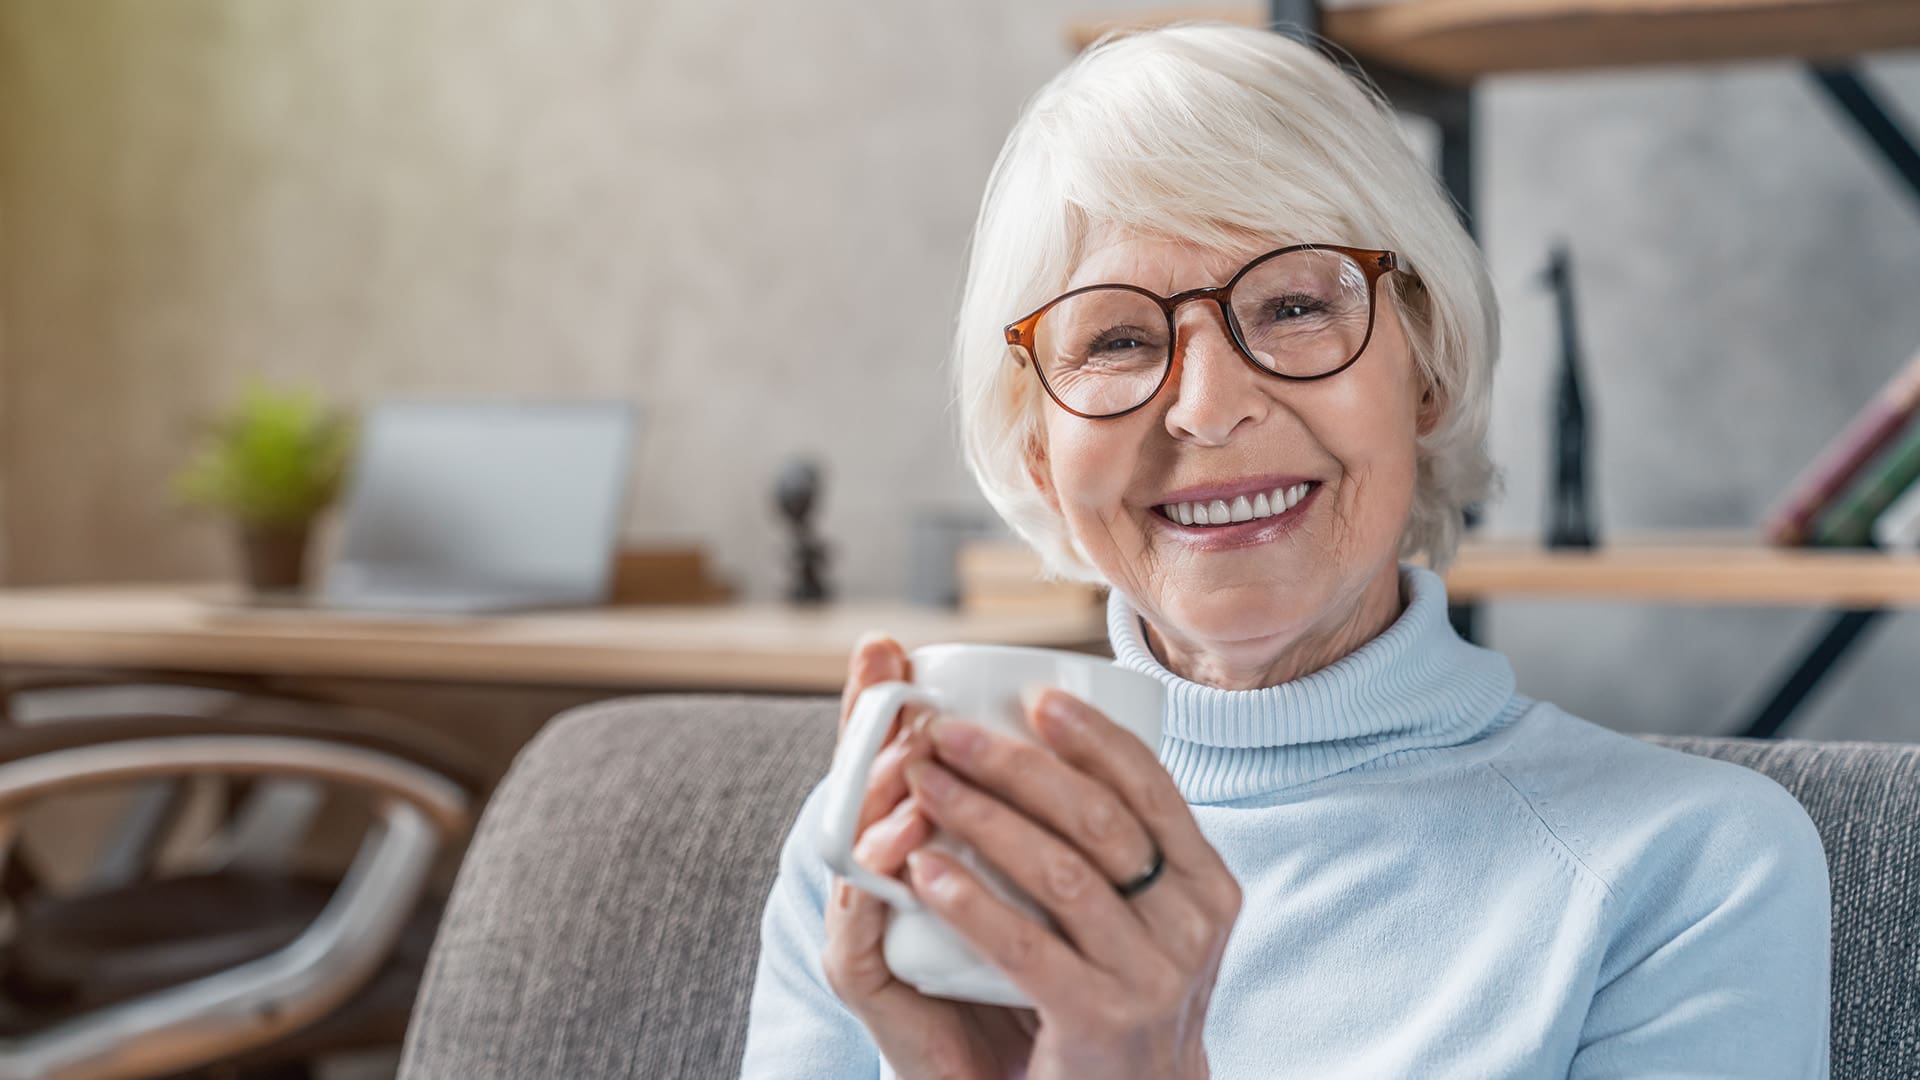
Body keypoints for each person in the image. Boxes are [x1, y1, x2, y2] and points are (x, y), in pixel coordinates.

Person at [740, 20, 1831, 1079]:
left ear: (1428, 371)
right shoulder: (881, 847)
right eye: (1118, 337)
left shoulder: (1697, 870)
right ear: (1037, 448)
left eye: (1297, 304)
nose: (1209, 409)